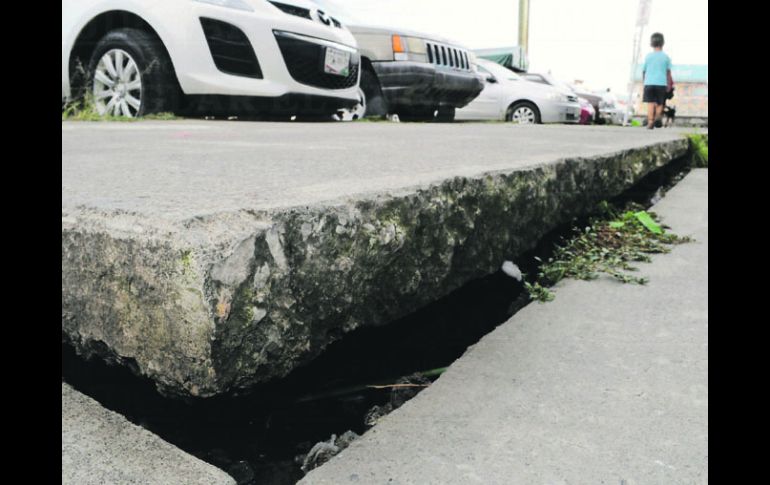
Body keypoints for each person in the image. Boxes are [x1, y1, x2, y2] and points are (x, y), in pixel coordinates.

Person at [642, 32, 673, 129]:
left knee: (650, 103)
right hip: (661, 83)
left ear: (651, 43)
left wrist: (644, 82)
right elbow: (668, 73)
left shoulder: (648, 56)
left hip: (649, 83)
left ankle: (650, 121)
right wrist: (669, 85)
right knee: (660, 103)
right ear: (663, 43)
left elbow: (644, 71)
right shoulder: (666, 57)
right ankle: (657, 117)